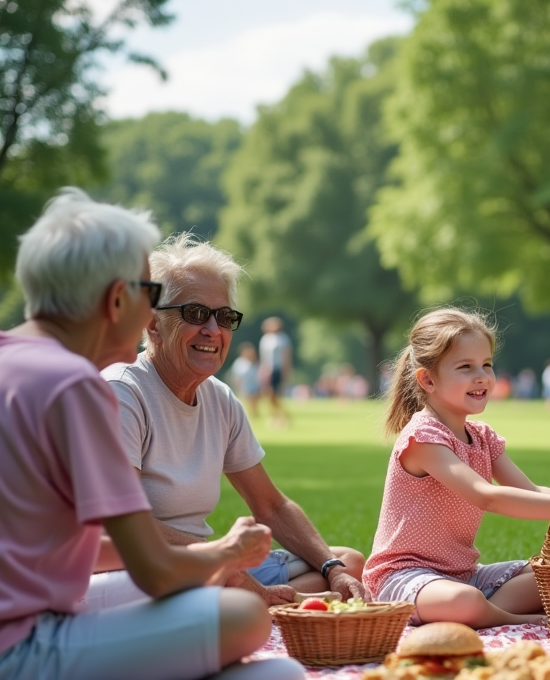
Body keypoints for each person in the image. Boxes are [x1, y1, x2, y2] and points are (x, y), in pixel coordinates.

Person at [0, 188, 304, 680]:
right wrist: (229, 553)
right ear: (115, 299)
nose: (153, 311)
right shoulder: (71, 386)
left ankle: (185, 670)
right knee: (242, 615)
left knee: (220, 597)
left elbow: (65, 544)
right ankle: (190, 674)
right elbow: (155, 568)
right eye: (149, 291)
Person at [90, 233, 366, 612]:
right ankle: (253, 603)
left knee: (346, 562)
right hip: (139, 569)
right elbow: (122, 525)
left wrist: (333, 569)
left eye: (224, 317)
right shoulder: (122, 393)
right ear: (153, 324)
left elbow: (271, 507)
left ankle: (261, 603)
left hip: (206, 565)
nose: (213, 330)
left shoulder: (219, 398)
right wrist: (226, 564)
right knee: (234, 593)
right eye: (196, 314)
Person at [362, 308, 550, 628]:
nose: (482, 376)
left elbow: (529, 492)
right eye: (465, 367)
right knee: (465, 602)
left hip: (465, 576)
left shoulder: (482, 437)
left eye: (487, 364)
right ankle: (518, 620)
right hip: (404, 579)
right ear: (428, 379)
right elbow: (487, 497)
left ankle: (491, 613)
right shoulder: (422, 438)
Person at [258, 316, 292, 427]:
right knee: (268, 395)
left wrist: (285, 371)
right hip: (268, 370)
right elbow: (263, 357)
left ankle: (279, 417)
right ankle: (280, 415)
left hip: (278, 369)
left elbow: (286, 356)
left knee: (275, 394)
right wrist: (262, 370)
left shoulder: (283, 338)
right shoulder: (265, 339)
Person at [230, 341, 262, 417]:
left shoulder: (255, 362)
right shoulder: (239, 363)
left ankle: (254, 414)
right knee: (247, 402)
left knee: (254, 402)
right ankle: (249, 415)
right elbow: (236, 376)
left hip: (254, 385)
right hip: (245, 386)